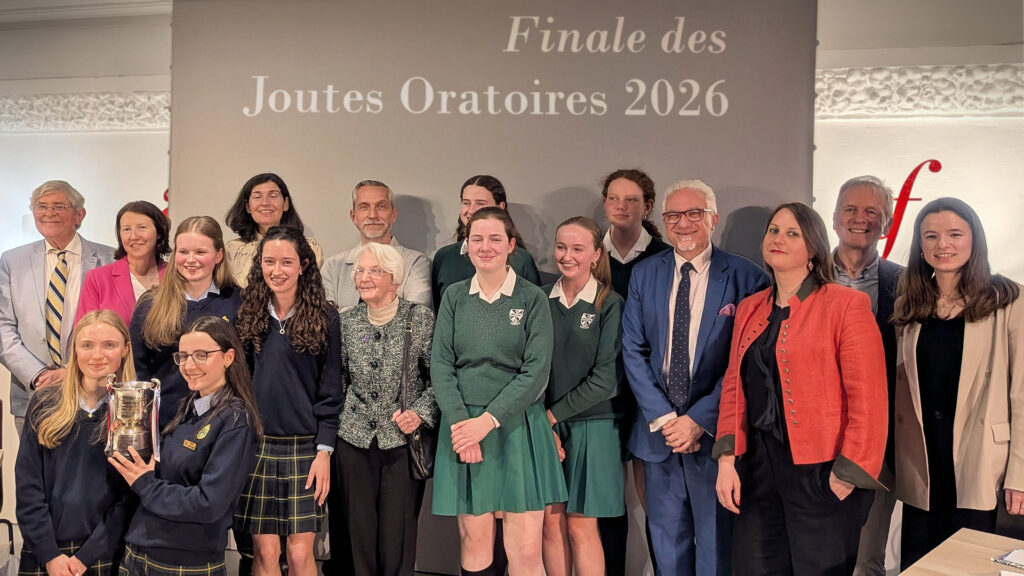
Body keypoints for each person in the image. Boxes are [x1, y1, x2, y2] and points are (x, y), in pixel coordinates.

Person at [714, 202, 887, 575]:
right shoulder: (750, 308)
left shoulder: (846, 305)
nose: (779, 239)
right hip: (757, 468)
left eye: (793, 233)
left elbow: (869, 399)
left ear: (813, 248)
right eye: (774, 230)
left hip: (822, 469)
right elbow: (733, 388)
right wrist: (727, 461)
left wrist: (848, 472)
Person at [622, 179, 768, 576]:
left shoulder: (747, 278)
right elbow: (633, 351)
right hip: (660, 436)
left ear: (713, 219)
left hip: (716, 436)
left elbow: (745, 363)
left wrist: (699, 419)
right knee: (667, 547)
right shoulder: (644, 274)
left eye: (693, 213)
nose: (683, 223)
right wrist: (667, 419)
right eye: (673, 215)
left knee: (718, 546)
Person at [431, 207, 565, 576]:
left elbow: (536, 374)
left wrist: (486, 422)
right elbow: (441, 366)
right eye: (477, 239)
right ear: (467, 245)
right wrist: (463, 427)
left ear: (511, 245)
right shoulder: (455, 297)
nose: (485, 247)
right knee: (474, 544)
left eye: (494, 239)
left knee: (525, 550)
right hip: (464, 429)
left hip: (517, 426)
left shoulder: (532, 298)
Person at [891, 197, 1023, 569]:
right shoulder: (908, 304)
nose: (942, 245)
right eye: (931, 236)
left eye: (955, 234)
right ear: (920, 244)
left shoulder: (1009, 300)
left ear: (974, 239)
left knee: (970, 565)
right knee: (919, 564)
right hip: (922, 461)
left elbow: (1022, 395)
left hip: (981, 460)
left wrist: (1020, 474)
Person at [109, 316, 261, 576]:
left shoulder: (236, 420)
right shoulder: (189, 406)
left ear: (228, 357)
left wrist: (145, 484)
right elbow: (166, 473)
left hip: (185, 562)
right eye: (183, 356)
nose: (190, 366)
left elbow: (209, 503)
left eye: (201, 355)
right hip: (140, 552)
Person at [234, 225, 343, 576]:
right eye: (269, 262)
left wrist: (324, 452)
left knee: (299, 554)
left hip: (306, 449)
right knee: (265, 553)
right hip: (257, 446)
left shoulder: (325, 318)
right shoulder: (247, 313)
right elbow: (238, 385)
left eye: (286, 262)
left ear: (303, 265)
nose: (276, 270)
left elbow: (331, 392)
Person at [333, 242, 438, 576]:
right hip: (353, 442)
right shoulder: (347, 321)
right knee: (357, 538)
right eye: (360, 271)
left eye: (375, 271)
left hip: (401, 444)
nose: (364, 277)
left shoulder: (419, 318)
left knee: (398, 537)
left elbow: (440, 380)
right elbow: (338, 380)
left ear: (395, 280)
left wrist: (419, 413)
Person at [16, 310, 136, 576]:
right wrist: (50, 555)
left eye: (109, 345)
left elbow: (129, 497)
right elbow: (28, 487)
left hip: (104, 553)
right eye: (87, 345)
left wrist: (86, 556)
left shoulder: (134, 413)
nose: (97, 355)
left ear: (126, 349)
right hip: (45, 551)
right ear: (75, 351)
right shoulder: (45, 404)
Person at [541, 217, 625, 576]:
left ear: (596, 254)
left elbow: (605, 380)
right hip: (544, 425)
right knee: (550, 522)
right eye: (561, 247)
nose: (567, 256)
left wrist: (551, 417)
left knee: (580, 525)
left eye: (578, 248)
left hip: (593, 424)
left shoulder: (610, 303)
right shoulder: (539, 299)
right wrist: (542, 421)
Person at [0, 180, 115, 434]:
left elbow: (117, 329)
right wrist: (38, 375)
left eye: (59, 206)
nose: (48, 213)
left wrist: (71, 372)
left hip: (93, 394)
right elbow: (3, 327)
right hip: (32, 394)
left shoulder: (110, 259)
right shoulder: (11, 261)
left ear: (79, 215)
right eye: (41, 206)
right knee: (33, 462)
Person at [599, 168, 671, 575]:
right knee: (608, 504)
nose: (621, 206)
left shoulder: (665, 257)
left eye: (631, 199)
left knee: (657, 507)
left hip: (651, 394)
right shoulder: (590, 254)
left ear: (648, 207)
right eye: (613, 198)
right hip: (603, 392)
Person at [831, 176, 903, 576]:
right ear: (834, 219)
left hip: (878, 442)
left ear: (887, 224)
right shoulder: (798, 275)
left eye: (872, 211)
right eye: (851, 209)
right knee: (810, 555)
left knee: (866, 558)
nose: (860, 218)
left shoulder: (909, 284)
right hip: (808, 443)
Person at [131, 216, 241, 426]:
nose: (191, 260)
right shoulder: (151, 303)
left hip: (225, 423)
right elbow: (138, 368)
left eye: (200, 252)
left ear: (218, 255)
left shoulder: (238, 301)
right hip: (164, 423)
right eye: (183, 252)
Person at [430, 175, 541, 310]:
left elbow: (534, 309)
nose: (471, 210)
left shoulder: (521, 259)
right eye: (466, 203)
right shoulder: (444, 257)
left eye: (480, 203)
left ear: (500, 207)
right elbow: (439, 311)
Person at [321, 179, 432, 310]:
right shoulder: (332, 267)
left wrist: (341, 311)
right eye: (364, 207)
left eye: (381, 206)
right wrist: (391, 311)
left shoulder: (416, 262)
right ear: (353, 216)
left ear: (393, 215)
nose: (373, 215)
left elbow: (415, 314)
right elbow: (323, 317)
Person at [77, 201, 170, 326]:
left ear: (159, 232)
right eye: (126, 229)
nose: (133, 236)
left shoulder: (175, 276)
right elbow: (84, 331)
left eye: (142, 227)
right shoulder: (97, 279)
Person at [225, 172, 324, 288]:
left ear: (285, 203)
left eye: (273, 196)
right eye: (257, 197)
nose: (265, 203)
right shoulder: (231, 251)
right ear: (247, 206)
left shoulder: (310, 247)